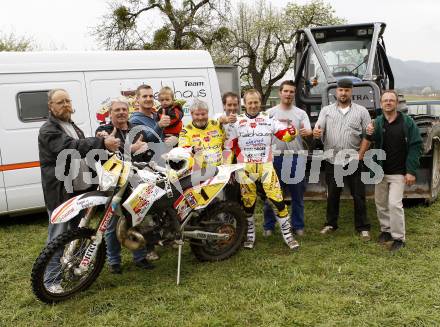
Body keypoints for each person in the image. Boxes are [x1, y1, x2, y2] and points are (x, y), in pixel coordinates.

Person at [38, 88, 120, 291]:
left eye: (67, 100)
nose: (65, 105)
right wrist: (101, 141)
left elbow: (84, 150)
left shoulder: (71, 125)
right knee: (58, 237)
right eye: (60, 102)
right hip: (61, 193)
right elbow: (70, 147)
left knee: (78, 234)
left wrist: (101, 143)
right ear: (51, 106)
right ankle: (51, 281)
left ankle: (75, 271)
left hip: (79, 190)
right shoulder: (48, 129)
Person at [225, 89, 299, 250]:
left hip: (266, 166)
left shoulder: (268, 119)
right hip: (245, 168)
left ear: (260, 102)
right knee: (248, 203)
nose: (253, 105)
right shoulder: (236, 122)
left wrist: (292, 132)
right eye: (250, 102)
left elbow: (285, 135)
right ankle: (250, 235)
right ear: (244, 104)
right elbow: (229, 147)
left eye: (256, 102)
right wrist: (229, 168)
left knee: (277, 200)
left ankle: (288, 235)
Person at [95, 97, 155, 273]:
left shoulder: (135, 131)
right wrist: (131, 149)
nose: (121, 112)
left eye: (124, 109)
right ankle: (114, 262)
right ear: (110, 113)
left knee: (137, 220)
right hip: (114, 185)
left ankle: (140, 257)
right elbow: (104, 144)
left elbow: (143, 154)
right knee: (111, 224)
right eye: (117, 110)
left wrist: (147, 154)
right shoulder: (104, 130)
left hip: (134, 183)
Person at [313, 78, 372, 240]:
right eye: (340, 90)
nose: (343, 93)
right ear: (336, 92)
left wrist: (360, 156)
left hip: (354, 158)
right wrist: (316, 133)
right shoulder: (326, 110)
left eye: (346, 90)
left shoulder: (361, 111)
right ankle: (331, 224)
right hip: (332, 159)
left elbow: (368, 135)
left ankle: (362, 227)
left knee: (359, 195)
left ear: (351, 91)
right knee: (332, 194)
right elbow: (319, 128)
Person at [366, 90, 422, 251]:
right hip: (381, 171)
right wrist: (368, 132)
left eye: (391, 100)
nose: (388, 102)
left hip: (399, 173)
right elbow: (370, 139)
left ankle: (399, 238)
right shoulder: (377, 122)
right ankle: (386, 230)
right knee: (381, 203)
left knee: (394, 204)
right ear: (381, 104)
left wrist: (410, 171)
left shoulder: (407, 123)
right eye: (385, 100)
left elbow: (415, 146)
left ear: (397, 103)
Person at [263, 80, 312, 237]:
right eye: (286, 91)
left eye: (291, 92)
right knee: (272, 195)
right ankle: (269, 226)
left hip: (295, 158)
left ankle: (298, 225)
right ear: (280, 93)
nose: (288, 94)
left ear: (294, 94)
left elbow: (308, 129)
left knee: (297, 195)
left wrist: (308, 132)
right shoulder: (270, 113)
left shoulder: (300, 113)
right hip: (274, 158)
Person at [129, 85, 176, 164]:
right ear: (137, 99)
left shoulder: (158, 116)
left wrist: (175, 139)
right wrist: (159, 126)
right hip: (153, 169)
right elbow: (149, 141)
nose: (148, 99)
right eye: (144, 96)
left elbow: (168, 138)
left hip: (169, 165)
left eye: (151, 96)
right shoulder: (134, 121)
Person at [178, 98, 225, 168]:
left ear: (207, 113)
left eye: (203, 114)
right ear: (191, 114)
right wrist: (193, 149)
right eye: (197, 114)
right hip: (200, 174)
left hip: (221, 170)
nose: (200, 117)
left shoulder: (216, 125)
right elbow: (182, 152)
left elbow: (227, 142)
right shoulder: (185, 131)